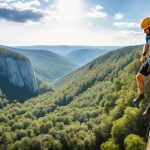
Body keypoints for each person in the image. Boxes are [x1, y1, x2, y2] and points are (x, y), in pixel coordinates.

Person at [132, 17, 150, 113]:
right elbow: (146, 43)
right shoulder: (148, 35)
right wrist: (143, 55)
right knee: (139, 77)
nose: (144, 31)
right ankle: (141, 94)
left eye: (145, 29)